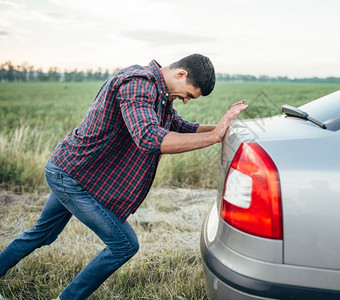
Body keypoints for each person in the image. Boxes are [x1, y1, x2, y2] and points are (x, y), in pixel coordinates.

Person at [0, 53, 248, 299]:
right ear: (181, 74)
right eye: (188, 94)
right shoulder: (138, 83)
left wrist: (223, 129)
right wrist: (213, 137)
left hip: (80, 174)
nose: (185, 101)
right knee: (125, 245)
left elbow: (179, 126)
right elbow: (148, 137)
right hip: (72, 175)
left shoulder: (160, 94)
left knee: (42, 234)